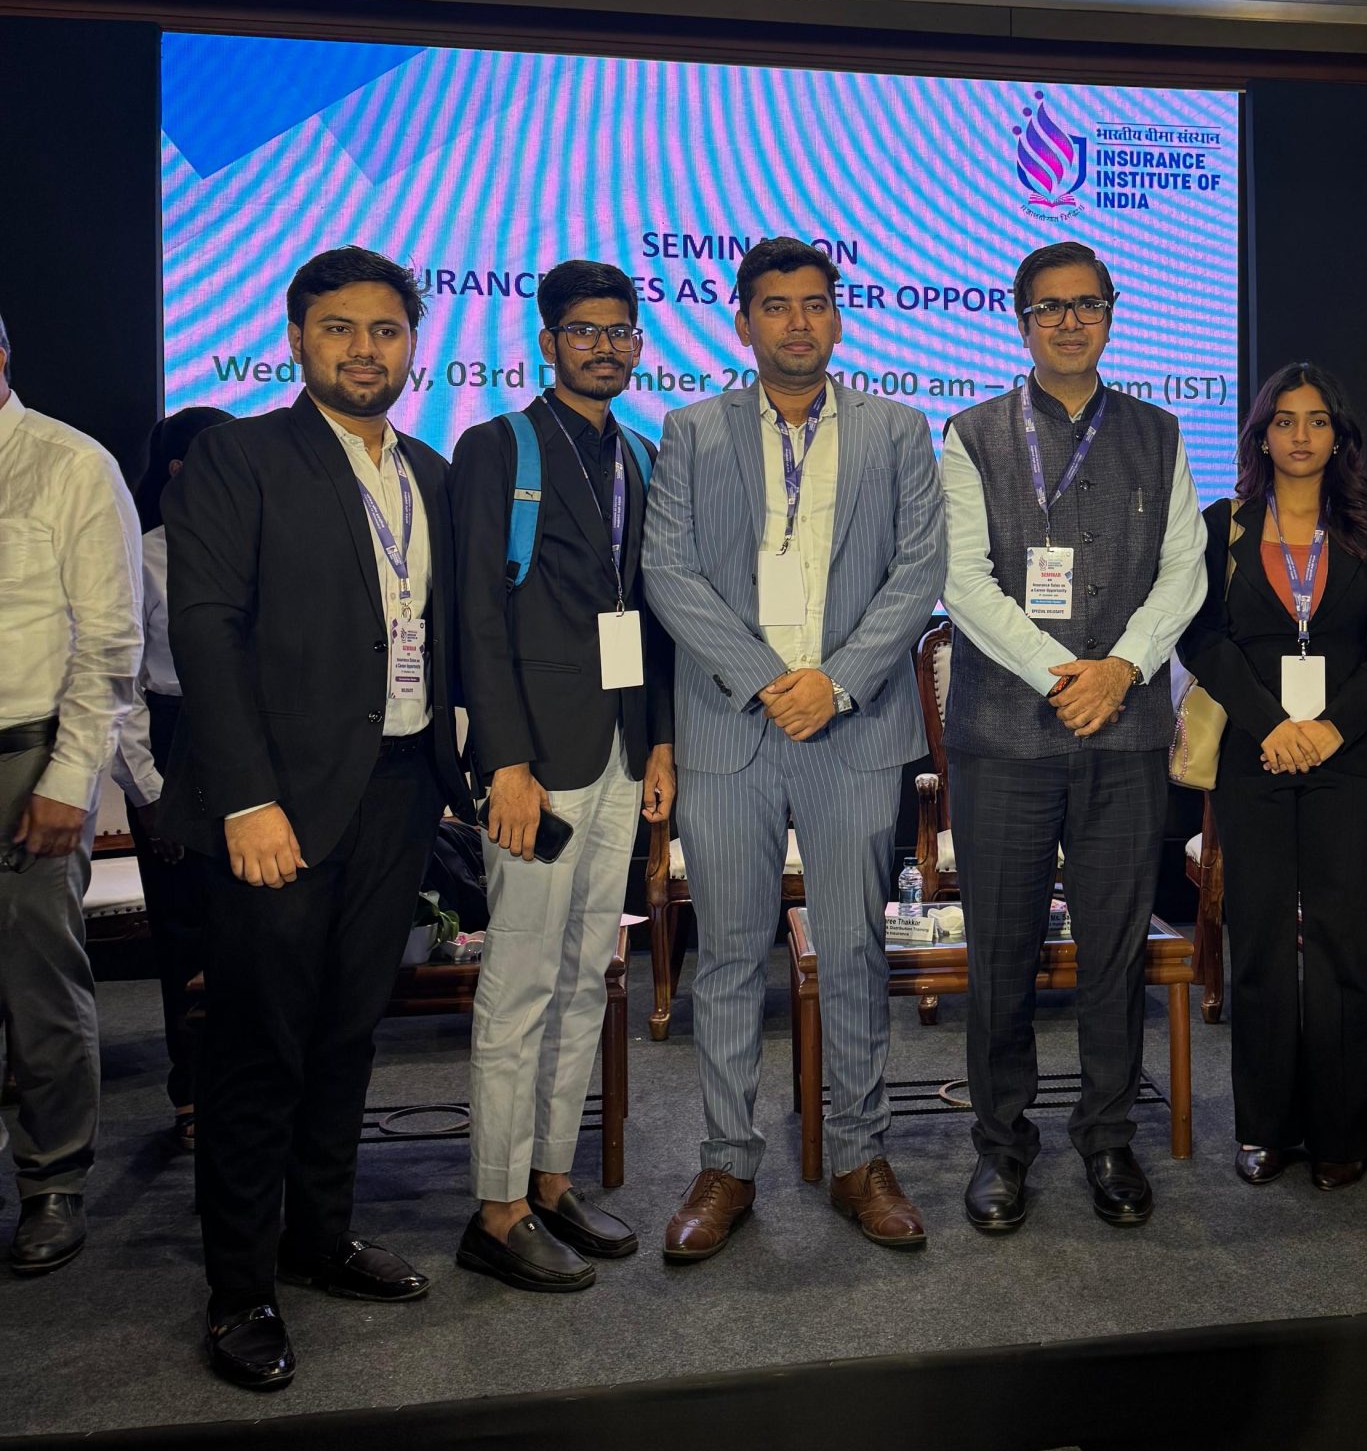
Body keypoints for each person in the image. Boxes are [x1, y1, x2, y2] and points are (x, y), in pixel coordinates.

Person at [160, 247, 473, 1388]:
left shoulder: (431, 471)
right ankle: (240, 1289)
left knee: (347, 1032)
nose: (364, 350)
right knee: (259, 1047)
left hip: (400, 791)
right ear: (296, 339)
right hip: (278, 804)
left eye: (386, 330)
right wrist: (248, 799)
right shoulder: (240, 457)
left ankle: (320, 1235)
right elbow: (205, 629)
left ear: (412, 345)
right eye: (339, 328)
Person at [642, 236, 945, 1261]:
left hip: (851, 727)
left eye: (815, 303)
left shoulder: (899, 429)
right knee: (730, 954)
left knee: (854, 949)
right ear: (743, 322)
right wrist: (771, 679)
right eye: (776, 306)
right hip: (732, 724)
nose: (798, 322)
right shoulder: (691, 430)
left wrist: (837, 681)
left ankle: (860, 1156)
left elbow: (919, 571)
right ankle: (728, 1162)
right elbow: (669, 571)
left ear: (838, 317)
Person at [941, 240, 1206, 1235]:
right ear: (1021, 321)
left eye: (1086, 304)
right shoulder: (971, 434)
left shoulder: (1159, 433)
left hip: (1123, 737)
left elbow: (1184, 570)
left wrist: (1122, 668)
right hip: (1005, 738)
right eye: (1049, 307)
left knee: (1115, 952)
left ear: (1110, 313)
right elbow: (963, 581)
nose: (1069, 321)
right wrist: (1064, 674)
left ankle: (1107, 1136)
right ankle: (1001, 1144)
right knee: (1001, 953)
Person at [450, 261, 676, 1293]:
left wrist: (660, 741)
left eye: (620, 331)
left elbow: (652, 616)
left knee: (587, 978)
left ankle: (549, 1182)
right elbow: (476, 615)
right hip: (536, 762)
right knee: (521, 983)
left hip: (621, 749)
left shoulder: (640, 453)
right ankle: (494, 1210)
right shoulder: (498, 446)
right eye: (584, 330)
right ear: (547, 342)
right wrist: (503, 760)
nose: (605, 346)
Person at [1177, 364, 1367, 1191]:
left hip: (1350, 756)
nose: (1300, 436)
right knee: (1261, 942)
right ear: (1261, 435)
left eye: (1317, 421)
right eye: (1283, 420)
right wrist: (1273, 725)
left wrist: (1332, 729)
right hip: (1256, 753)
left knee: (1343, 942)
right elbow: (1201, 637)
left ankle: (1342, 1132)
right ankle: (1265, 1128)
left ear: (1339, 436)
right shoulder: (1221, 526)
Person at [0, 310, 144, 1275]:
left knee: (37, 983)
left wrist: (69, 777)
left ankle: (52, 1179)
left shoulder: (69, 462)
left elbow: (110, 641)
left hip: (27, 754)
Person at [114, 404, 236, 1151]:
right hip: (169, 739)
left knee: (252, 925)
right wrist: (149, 793)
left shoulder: (256, 543)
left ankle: (250, 1088)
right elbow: (122, 683)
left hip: (247, 734)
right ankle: (191, 1093)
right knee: (184, 927)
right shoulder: (141, 554)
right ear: (181, 470)